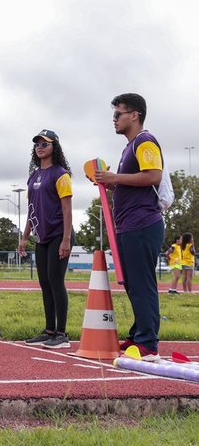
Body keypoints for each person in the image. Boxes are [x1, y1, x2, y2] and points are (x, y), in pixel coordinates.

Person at [94, 93, 165, 361]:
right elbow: (133, 181)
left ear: (134, 115)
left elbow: (153, 175)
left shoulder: (144, 141)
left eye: (118, 114)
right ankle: (139, 335)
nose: (114, 119)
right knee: (132, 284)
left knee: (142, 282)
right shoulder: (129, 147)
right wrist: (112, 183)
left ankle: (148, 344)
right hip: (127, 225)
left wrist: (115, 177)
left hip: (142, 224)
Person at [17, 130, 73, 349]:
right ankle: (49, 330)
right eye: (37, 144)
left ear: (54, 147)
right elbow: (32, 210)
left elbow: (67, 209)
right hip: (41, 237)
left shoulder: (61, 174)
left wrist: (66, 239)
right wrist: (24, 238)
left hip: (59, 233)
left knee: (56, 281)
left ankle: (62, 334)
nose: (40, 147)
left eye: (45, 144)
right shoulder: (33, 176)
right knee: (45, 283)